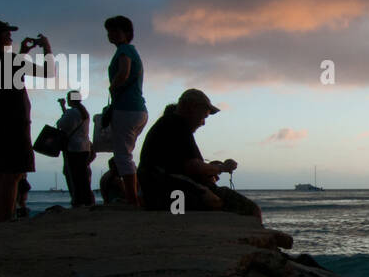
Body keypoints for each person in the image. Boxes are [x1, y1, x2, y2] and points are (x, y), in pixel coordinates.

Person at [137, 89, 293, 246]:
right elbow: (194, 167)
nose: (203, 122)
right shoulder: (178, 125)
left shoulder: (168, 125)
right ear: (191, 107)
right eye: (204, 116)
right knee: (251, 210)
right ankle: (260, 245)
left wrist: (212, 168)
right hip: (172, 194)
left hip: (160, 194)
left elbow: (181, 166)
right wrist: (221, 168)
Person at [0, 18, 52, 223]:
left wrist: (22, 54)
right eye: (7, 33)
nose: (10, 36)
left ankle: (2, 217)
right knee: (13, 173)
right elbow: (48, 71)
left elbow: (7, 75)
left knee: (2, 172)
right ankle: (6, 218)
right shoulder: (6, 60)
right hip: (14, 120)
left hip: (1, 118)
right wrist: (46, 48)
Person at [104, 16, 148, 207]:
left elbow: (124, 72)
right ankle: (135, 196)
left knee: (122, 156)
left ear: (127, 34)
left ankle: (132, 199)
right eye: (109, 31)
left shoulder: (125, 50)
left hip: (127, 109)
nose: (111, 34)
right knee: (126, 154)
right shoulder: (131, 50)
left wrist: (113, 87)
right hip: (138, 109)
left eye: (116, 30)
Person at [56, 91, 94, 207]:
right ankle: (87, 200)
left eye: (68, 98)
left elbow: (61, 124)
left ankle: (78, 200)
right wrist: (63, 107)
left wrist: (63, 109)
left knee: (75, 177)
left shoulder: (73, 112)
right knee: (82, 176)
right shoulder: (84, 112)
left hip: (73, 148)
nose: (67, 100)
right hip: (85, 147)